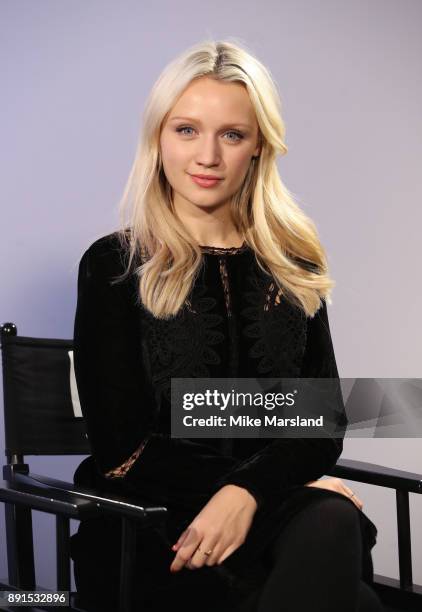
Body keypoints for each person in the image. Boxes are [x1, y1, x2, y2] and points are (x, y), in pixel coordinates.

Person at [70, 39, 384, 612]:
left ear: (259, 146)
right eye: (186, 130)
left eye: (231, 135)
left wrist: (250, 492)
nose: (207, 156)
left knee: (331, 523)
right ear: (157, 138)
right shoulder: (115, 265)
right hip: (151, 521)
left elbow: (320, 423)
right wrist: (265, 486)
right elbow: (122, 446)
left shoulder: (294, 267)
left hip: (274, 518)